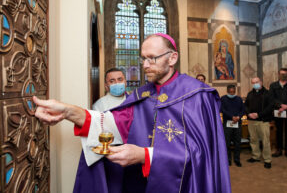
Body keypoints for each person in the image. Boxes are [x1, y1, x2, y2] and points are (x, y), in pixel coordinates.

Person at [34, 33, 231, 193]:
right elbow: (111, 122)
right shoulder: (142, 95)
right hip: (140, 184)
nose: (145, 65)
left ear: (172, 58)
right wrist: (68, 111)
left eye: (152, 58)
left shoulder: (198, 95)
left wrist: (145, 155)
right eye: (143, 58)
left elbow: (202, 156)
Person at [269, 68, 287, 158]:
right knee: (278, 131)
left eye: (285, 74)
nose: (283, 75)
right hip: (278, 111)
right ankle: (279, 150)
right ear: (278, 74)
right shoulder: (273, 85)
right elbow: (271, 98)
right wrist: (280, 105)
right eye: (282, 74)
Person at [244, 77, 273, 169]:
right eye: (253, 82)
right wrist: (249, 113)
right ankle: (255, 156)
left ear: (261, 82)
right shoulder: (250, 94)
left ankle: (267, 160)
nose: (255, 84)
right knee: (253, 139)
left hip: (263, 121)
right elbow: (245, 106)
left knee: (265, 141)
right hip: (251, 120)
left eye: (257, 82)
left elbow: (270, 107)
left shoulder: (268, 93)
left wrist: (258, 114)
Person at [221, 85, 244, 167]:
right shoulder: (223, 99)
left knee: (237, 142)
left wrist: (238, 117)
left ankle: (237, 159)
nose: (231, 93)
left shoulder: (239, 99)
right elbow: (222, 109)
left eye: (233, 91)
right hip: (227, 123)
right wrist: (232, 117)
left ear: (235, 91)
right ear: (227, 91)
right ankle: (228, 159)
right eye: (230, 91)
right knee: (227, 142)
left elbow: (243, 110)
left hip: (237, 123)